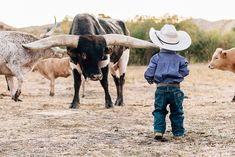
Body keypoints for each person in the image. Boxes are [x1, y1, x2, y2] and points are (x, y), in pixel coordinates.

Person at [144, 24, 191, 140]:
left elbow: (149, 73)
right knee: (177, 112)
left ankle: (159, 131)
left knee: (159, 110)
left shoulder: (156, 58)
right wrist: (176, 75)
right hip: (176, 89)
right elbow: (185, 71)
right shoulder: (180, 59)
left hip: (161, 88)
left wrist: (150, 79)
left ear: (160, 42)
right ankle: (178, 133)